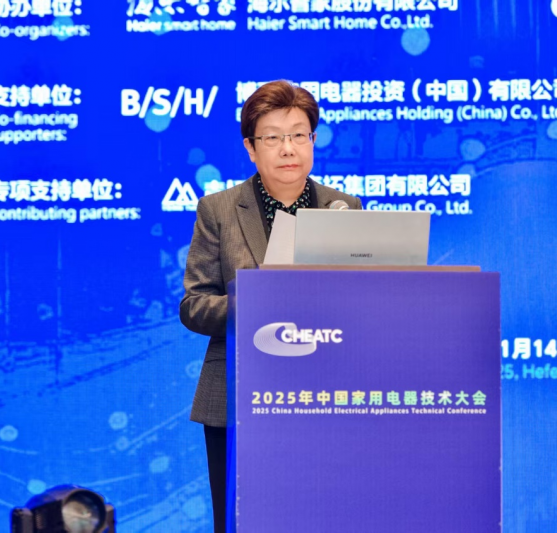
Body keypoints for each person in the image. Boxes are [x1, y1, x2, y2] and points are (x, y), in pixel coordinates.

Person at [179, 80, 362, 533]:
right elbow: (193, 305)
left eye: (299, 135)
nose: (288, 148)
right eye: (273, 137)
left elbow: (360, 296)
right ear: (251, 147)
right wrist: (255, 303)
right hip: (237, 393)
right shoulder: (219, 210)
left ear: (313, 141)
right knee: (242, 520)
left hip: (325, 392)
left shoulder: (343, 207)